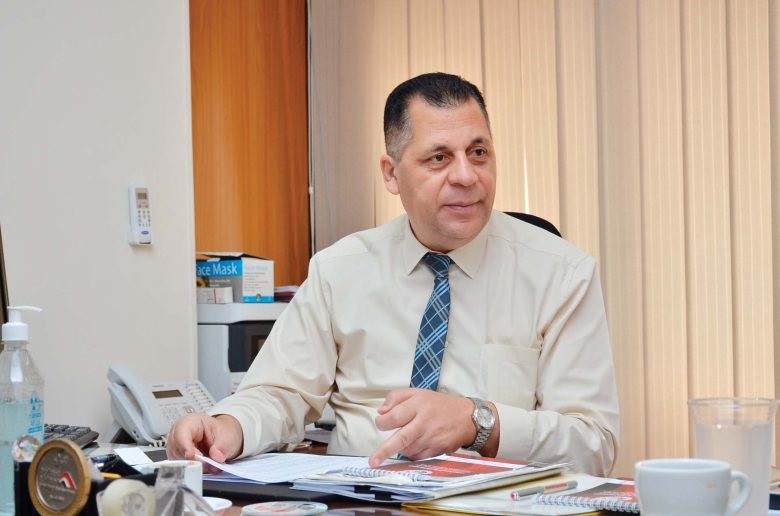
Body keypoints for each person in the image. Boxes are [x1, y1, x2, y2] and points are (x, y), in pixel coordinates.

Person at [167, 72, 619, 475]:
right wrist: (226, 427)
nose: (466, 176)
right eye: (439, 158)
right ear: (391, 173)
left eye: (478, 152)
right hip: (361, 498)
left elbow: (593, 445)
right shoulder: (339, 269)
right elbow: (281, 392)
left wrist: (478, 421)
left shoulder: (562, 273)